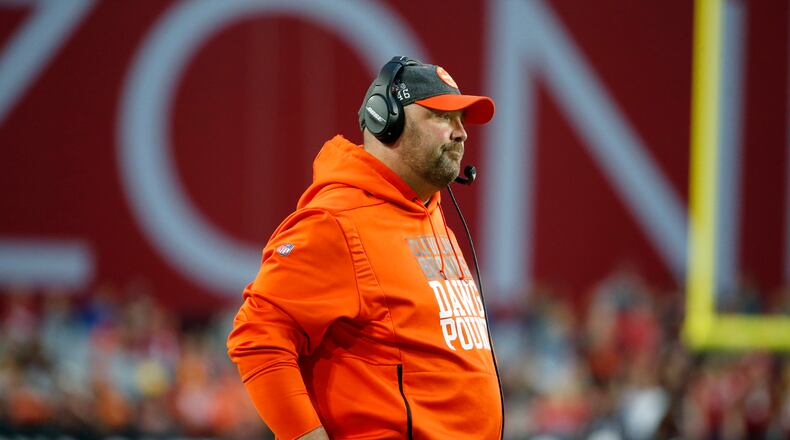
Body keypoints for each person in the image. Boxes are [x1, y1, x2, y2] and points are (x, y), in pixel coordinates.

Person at [227, 56, 501, 439]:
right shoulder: (336, 222)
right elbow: (257, 336)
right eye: (442, 118)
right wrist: (303, 433)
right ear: (385, 121)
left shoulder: (430, 214)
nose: (461, 134)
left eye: (461, 121)